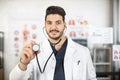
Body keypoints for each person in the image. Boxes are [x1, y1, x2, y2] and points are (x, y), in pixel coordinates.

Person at [9, 5, 97, 80]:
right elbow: (14, 79)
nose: (53, 27)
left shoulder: (83, 52)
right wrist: (23, 63)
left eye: (58, 23)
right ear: (45, 25)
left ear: (64, 25)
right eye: (49, 23)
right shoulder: (34, 52)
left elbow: (92, 78)